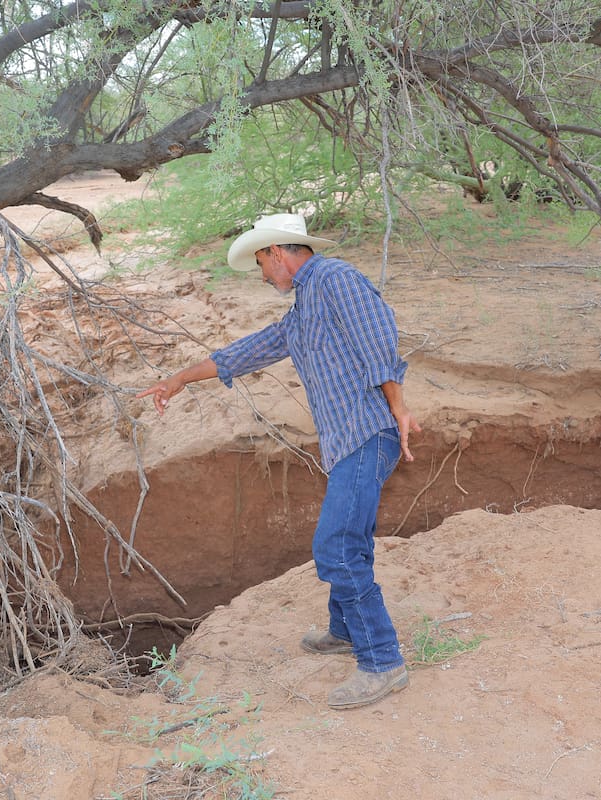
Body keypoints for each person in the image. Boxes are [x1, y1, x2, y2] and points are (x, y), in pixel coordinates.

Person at [138, 213, 422, 710]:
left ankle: (382, 662)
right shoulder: (303, 308)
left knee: (335, 545)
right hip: (350, 441)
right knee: (349, 537)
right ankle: (344, 631)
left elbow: (379, 335)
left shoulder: (333, 278)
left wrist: (398, 407)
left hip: (367, 433)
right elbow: (249, 351)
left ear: (277, 253)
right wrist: (181, 377)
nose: (263, 274)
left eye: (261, 264)